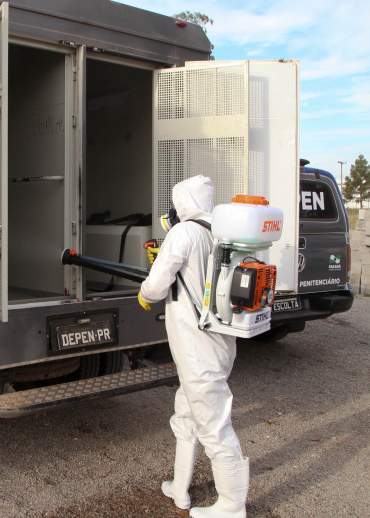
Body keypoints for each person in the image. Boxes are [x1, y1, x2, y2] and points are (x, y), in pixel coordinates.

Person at [138, 175, 249, 518]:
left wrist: (145, 293)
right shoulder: (223, 232)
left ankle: (232, 505)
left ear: (182, 202)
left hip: (195, 344)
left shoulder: (183, 232)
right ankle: (179, 487)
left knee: (213, 421)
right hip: (220, 340)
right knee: (187, 411)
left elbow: (157, 286)